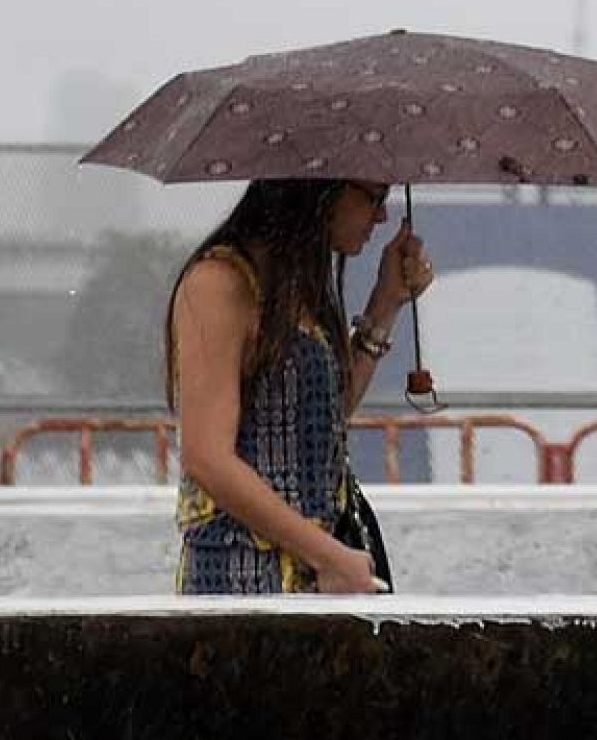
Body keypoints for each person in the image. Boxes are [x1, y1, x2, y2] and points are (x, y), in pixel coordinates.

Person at [166, 178, 434, 594]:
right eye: (372, 197)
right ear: (321, 187)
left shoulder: (295, 286)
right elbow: (206, 457)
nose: (381, 215)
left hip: (314, 578)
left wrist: (385, 302)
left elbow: (320, 423)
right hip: (242, 577)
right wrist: (327, 554)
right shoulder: (218, 282)